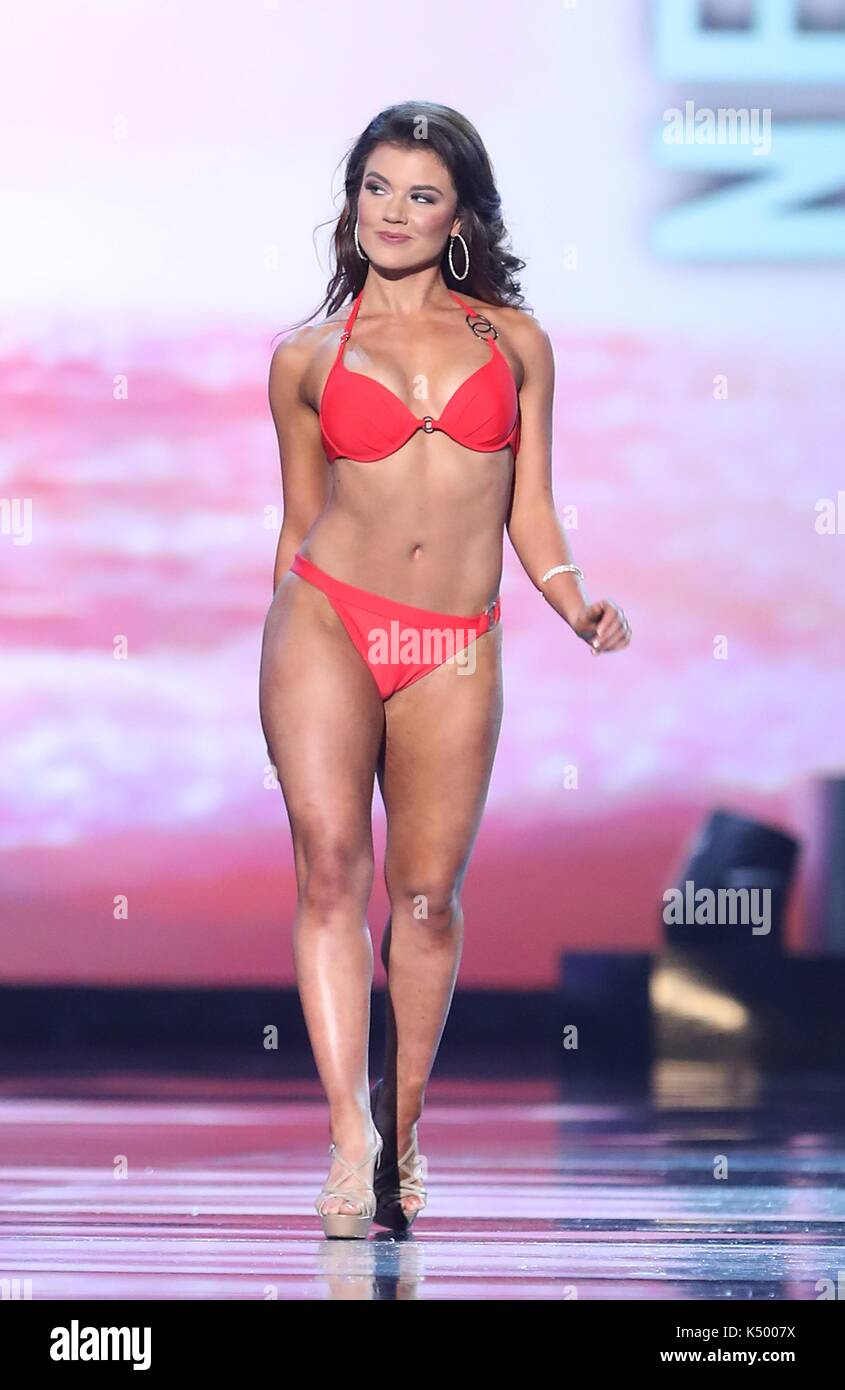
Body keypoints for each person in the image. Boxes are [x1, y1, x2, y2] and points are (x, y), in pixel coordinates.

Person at [258, 102, 632, 1239]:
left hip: (452, 641)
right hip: (323, 621)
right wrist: (268, 674)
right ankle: (342, 1136)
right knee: (330, 872)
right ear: (351, 200)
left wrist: (572, 600)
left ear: (458, 215)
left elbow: (531, 508)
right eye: (375, 187)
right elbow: (295, 527)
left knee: (423, 899)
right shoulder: (304, 359)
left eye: (420, 194)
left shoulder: (513, 344)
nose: (392, 212)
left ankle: (401, 1120)